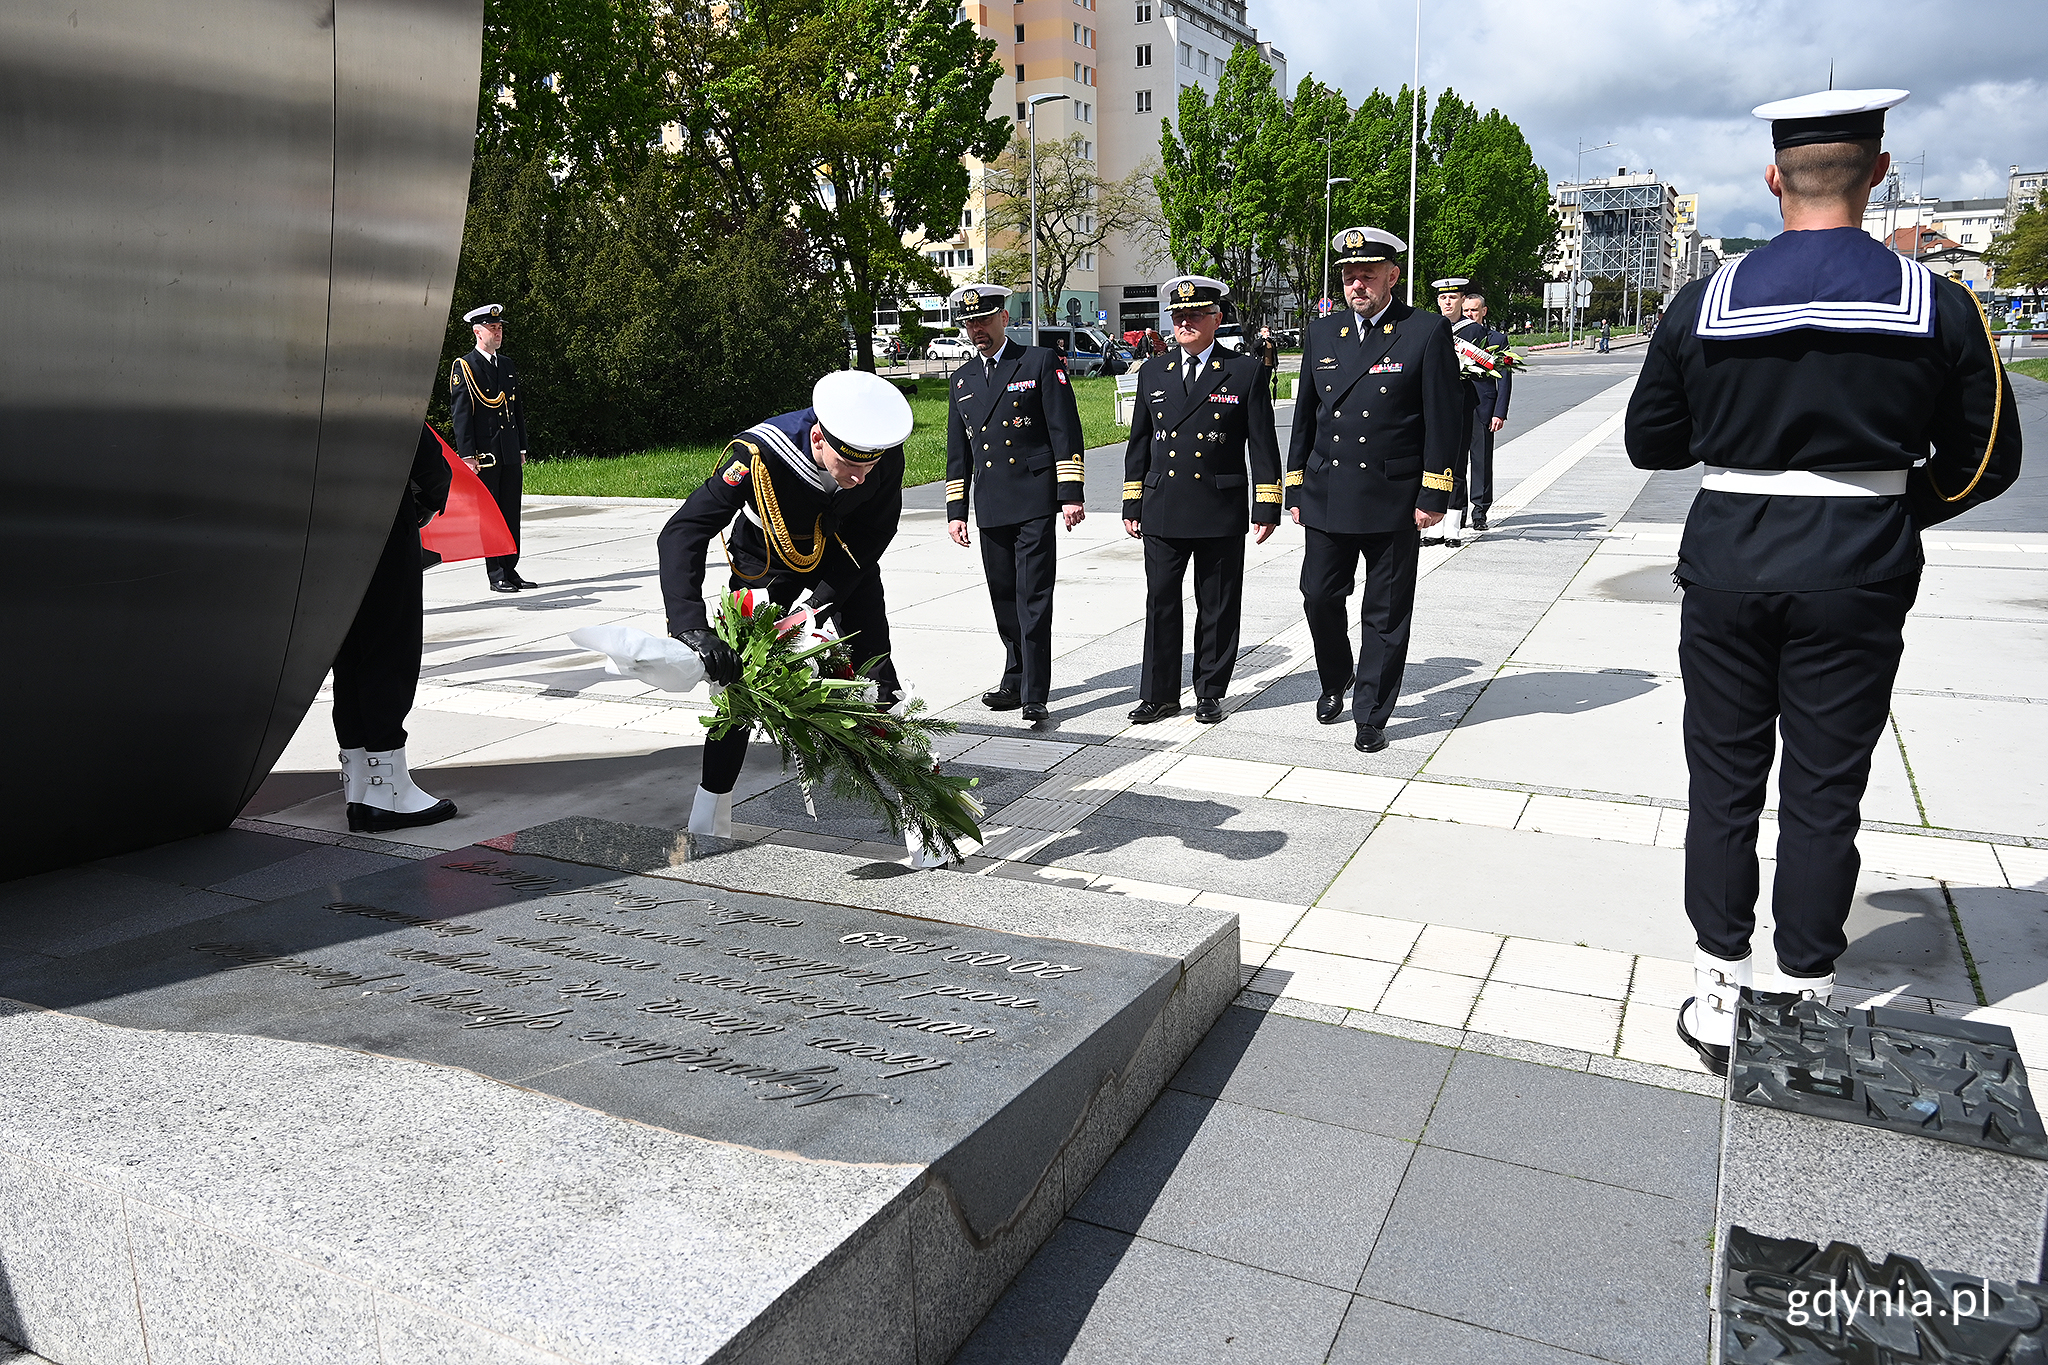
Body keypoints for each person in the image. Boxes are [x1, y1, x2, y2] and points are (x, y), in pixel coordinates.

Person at [1626, 87, 2021, 1075]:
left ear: (1773, 179)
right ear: (1875, 173)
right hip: (1855, 566)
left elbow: (1648, 440)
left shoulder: (1702, 299)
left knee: (1720, 780)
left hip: (1726, 556)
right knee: (1822, 784)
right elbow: (1986, 460)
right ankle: (1802, 989)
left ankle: (1715, 981)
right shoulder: (1935, 299)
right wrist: (1888, 503)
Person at [658, 371, 914, 836]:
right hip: (768, 561)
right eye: (849, 466)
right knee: (736, 685)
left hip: (846, 566)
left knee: (877, 676)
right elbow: (683, 532)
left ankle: (920, 814)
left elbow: (876, 531)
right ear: (818, 439)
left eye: (868, 468)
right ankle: (709, 817)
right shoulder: (760, 454)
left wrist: (817, 607)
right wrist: (691, 627)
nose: (859, 479)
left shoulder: (883, 451)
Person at [1286, 227, 1461, 753]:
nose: (1356, 283)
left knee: (1384, 612)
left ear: (1393, 276)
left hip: (1393, 497)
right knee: (1318, 596)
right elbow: (1306, 417)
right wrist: (1294, 485)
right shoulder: (1322, 333)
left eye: (1367, 274)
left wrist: (1434, 493)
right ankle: (1336, 674)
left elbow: (1443, 420)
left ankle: (1372, 713)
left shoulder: (1425, 331)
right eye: (1348, 274)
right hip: (1328, 492)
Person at [1121, 276, 1281, 725]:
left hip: (1218, 506)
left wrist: (1266, 505)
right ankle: (1159, 694)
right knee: (1161, 603)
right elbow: (1139, 442)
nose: (1185, 323)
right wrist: (1133, 502)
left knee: (1218, 603)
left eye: (1195, 315)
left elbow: (1263, 445)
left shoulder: (1245, 371)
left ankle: (1210, 691)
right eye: (1178, 317)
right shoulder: (1153, 371)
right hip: (1164, 505)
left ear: (1217, 318)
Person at [943, 283, 1087, 725]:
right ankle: (1014, 673)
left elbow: (1065, 430)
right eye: (970, 323)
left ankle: (1035, 691)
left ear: (1004, 318)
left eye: (984, 321)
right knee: (1003, 594)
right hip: (990, 502)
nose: (976, 330)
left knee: (1033, 596)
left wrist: (1070, 495)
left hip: (1034, 498)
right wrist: (955, 511)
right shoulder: (962, 379)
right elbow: (957, 451)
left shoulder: (1038, 361)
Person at [333, 424, 458, 834]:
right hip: (382, 517)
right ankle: (388, 789)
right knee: (389, 650)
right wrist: (428, 496)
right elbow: (424, 457)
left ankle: (359, 787)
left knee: (348, 656)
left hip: (323, 525)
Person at [449, 303, 535, 593]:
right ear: (477, 331)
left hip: (509, 451)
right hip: (484, 456)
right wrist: (467, 456)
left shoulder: (506, 365)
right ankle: (496, 572)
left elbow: (516, 409)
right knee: (490, 514)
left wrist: (521, 446)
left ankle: (511, 568)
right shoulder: (466, 366)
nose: (498, 332)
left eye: (499, 328)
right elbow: (462, 415)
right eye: (492, 328)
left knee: (510, 511)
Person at [1427, 277, 1487, 547]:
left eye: (1453, 297)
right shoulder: (1429, 327)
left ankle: (1452, 527)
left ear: (1463, 300)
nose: (1448, 302)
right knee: (1431, 463)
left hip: (1461, 403)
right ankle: (1432, 526)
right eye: (1443, 298)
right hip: (1433, 405)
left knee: (1457, 466)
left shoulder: (1473, 332)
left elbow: (1482, 365)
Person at [1460, 291, 1513, 532]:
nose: (1470, 314)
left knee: (1481, 461)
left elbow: (1504, 378)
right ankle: (1456, 512)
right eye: (1466, 310)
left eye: (1474, 310)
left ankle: (1480, 511)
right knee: (1455, 462)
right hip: (1456, 407)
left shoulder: (1497, 339)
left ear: (1484, 311)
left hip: (1483, 407)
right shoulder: (1452, 336)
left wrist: (1499, 412)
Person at [1254, 325, 1280, 400]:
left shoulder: (1271, 342)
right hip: (1261, 364)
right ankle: (1260, 398)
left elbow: (1274, 353)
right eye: (1264, 331)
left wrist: (1276, 363)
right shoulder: (1259, 341)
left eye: (1267, 331)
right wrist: (1262, 339)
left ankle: (1266, 398)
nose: (1267, 333)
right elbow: (1255, 347)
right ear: (1261, 333)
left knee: (1267, 383)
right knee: (1261, 383)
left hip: (1269, 365)